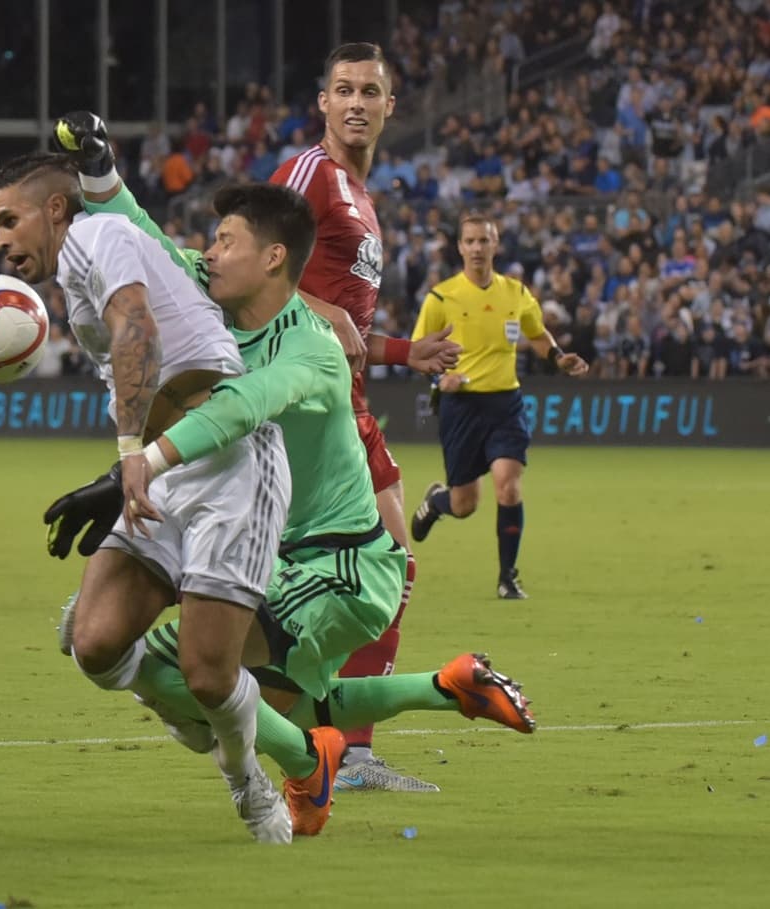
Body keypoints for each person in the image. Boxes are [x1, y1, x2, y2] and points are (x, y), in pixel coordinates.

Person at [52, 179, 533, 837]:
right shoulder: (219, 295)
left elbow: (238, 407)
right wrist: (103, 179)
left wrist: (135, 463)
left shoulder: (309, 349)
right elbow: (150, 244)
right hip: (278, 560)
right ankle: (448, 685)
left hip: (342, 567)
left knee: (189, 676)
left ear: (273, 258)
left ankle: (311, 760)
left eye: (226, 241)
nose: (210, 254)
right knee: (274, 699)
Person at [0, 152, 294, 844]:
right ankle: (178, 703)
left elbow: (139, 331)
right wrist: (122, 468)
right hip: (162, 469)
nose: (1, 241)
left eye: (10, 220)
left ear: (56, 209)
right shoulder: (72, 271)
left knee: (211, 674)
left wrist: (128, 455)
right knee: (91, 642)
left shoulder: (100, 237)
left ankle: (245, 776)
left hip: (230, 460)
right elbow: (135, 363)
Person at [269, 42, 445, 790]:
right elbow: (238, 270)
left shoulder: (361, 196)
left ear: (388, 107)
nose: (356, 103)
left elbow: (347, 323)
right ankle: (304, 738)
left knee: (389, 567)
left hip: (348, 402)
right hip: (305, 404)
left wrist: (406, 351)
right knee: (345, 574)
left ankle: (344, 750)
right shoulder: (309, 173)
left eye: (369, 91)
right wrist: (320, 312)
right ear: (323, 102)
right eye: (342, 88)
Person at [410, 211, 589, 598]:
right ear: (460, 247)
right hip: (461, 407)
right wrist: (441, 379)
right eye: (470, 241)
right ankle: (436, 503)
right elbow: (417, 352)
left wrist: (559, 357)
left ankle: (508, 578)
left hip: (506, 402)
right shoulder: (441, 297)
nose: (477, 248)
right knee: (464, 504)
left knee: (508, 487)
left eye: (484, 240)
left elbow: (537, 334)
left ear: (496, 245)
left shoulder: (516, 293)